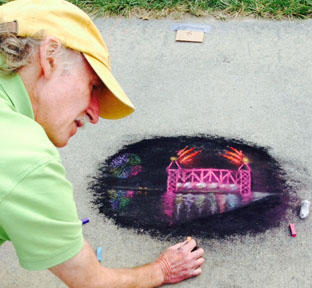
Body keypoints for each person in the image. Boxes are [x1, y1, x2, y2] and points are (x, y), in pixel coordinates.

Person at [0, 0, 205, 287]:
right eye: (93, 86)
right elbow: (91, 281)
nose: (95, 114)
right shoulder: (24, 156)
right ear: (49, 57)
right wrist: (162, 269)